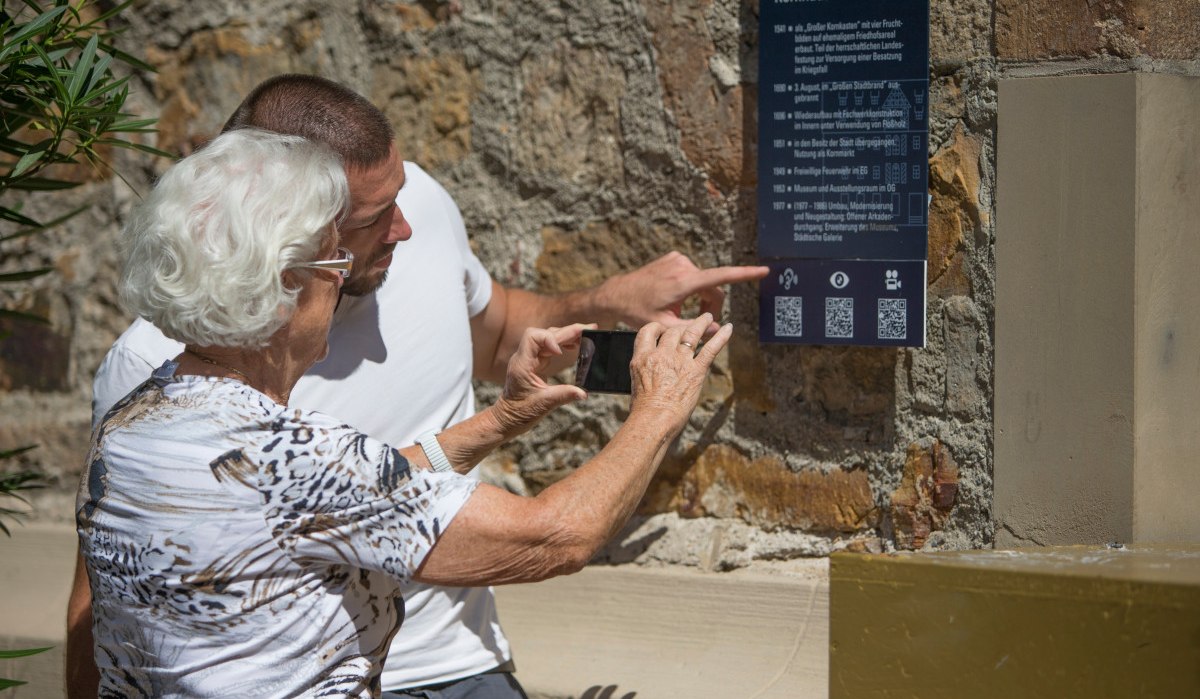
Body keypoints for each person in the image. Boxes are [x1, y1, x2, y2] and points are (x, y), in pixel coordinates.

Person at [67, 74, 769, 698]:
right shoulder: (294, 455)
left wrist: (495, 423)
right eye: (331, 262)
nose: (342, 276)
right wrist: (661, 404)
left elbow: (341, 497)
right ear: (279, 289)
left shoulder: (138, 421)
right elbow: (558, 536)